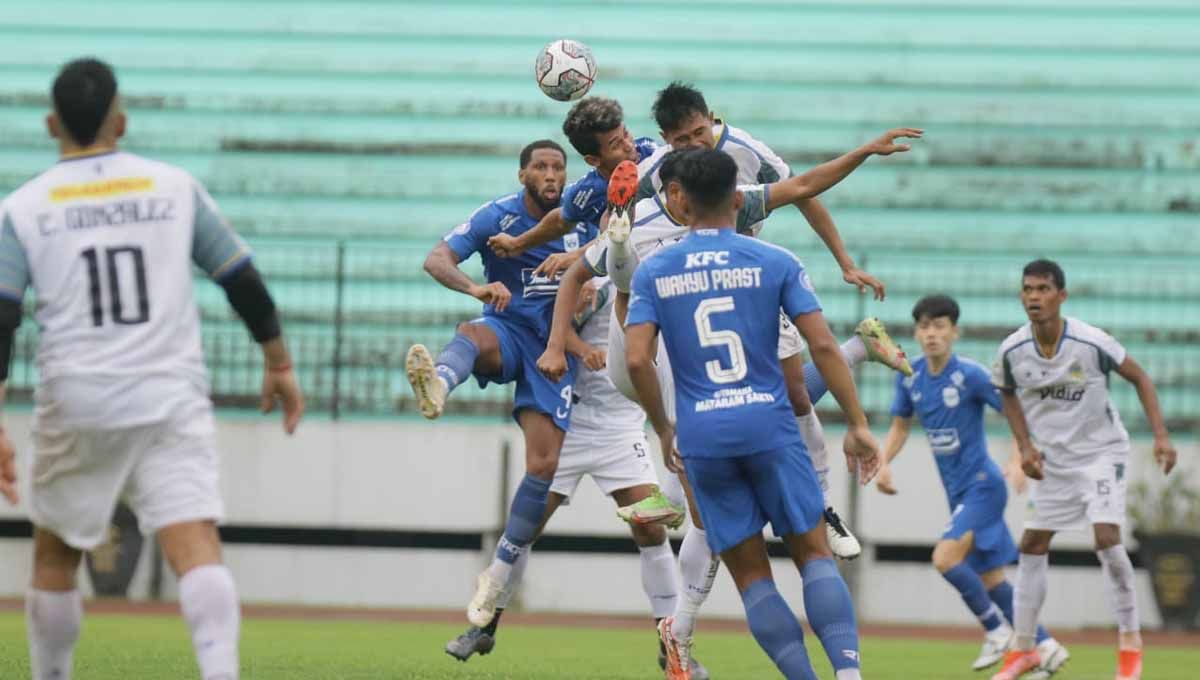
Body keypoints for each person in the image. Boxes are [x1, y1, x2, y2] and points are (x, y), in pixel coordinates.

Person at [0, 58, 304, 680]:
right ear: (121, 119)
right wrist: (278, 362)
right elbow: (241, 280)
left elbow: (2, 319)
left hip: (75, 395)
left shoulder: (23, 208)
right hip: (168, 392)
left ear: (52, 122)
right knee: (194, 544)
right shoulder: (172, 187)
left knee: (57, 554)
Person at [625, 148, 879, 680]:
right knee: (813, 556)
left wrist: (666, 427)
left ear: (682, 202)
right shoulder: (776, 261)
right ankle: (849, 675)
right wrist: (857, 423)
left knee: (752, 579)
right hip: (769, 424)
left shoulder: (654, 272)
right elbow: (825, 348)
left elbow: (635, 359)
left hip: (703, 437)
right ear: (738, 198)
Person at [442, 276, 708, 678]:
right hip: (569, 416)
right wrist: (581, 342)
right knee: (527, 527)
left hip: (621, 425)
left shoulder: (661, 274)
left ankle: (668, 645)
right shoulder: (589, 275)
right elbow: (547, 331)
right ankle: (484, 627)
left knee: (651, 532)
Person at [403, 140, 597, 629]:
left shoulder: (583, 215)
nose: (551, 175)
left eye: (558, 166)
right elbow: (436, 258)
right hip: (510, 330)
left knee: (544, 464)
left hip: (556, 347)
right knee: (471, 331)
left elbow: (615, 253)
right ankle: (441, 384)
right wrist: (476, 287)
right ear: (522, 175)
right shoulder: (498, 216)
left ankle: (498, 572)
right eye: (541, 167)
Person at [990, 260, 1177, 680]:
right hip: (1053, 462)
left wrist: (1162, 436)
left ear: (1061, 296)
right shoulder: (1012, 351)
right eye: (1027, 289)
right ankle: (1024, 649)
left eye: (1042, 289)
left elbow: (1141, 378)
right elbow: (1006, 392)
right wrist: (1025, 447)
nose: (1033, 297)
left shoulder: (1091, 341)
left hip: (1101, 454)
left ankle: (1130, 646)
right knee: (1032, 544)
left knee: (1107, 539)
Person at [875, 294, 1068, 676]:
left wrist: (1017, 459)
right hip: (958, 493)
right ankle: (1045, 645)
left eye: (940, 326)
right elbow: (900, 424)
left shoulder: (972, 375)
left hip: (984, 485)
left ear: (954, 332)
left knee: (945, 559)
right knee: (991, 579)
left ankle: (997, 632)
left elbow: (1016, 413)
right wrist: (882, 463)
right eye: (925, 326)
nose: (931, 334)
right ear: (917, 333)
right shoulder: (909, 376)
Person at [485, 96, 656, 275]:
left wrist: (578, 255)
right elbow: (561, 220)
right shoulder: (588, 193)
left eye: (626, 133)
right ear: (593, 160)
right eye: (616, 145)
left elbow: (632, 228)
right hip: (632, 274)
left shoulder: (652, 154)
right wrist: (517, 244)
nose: (630, 146)